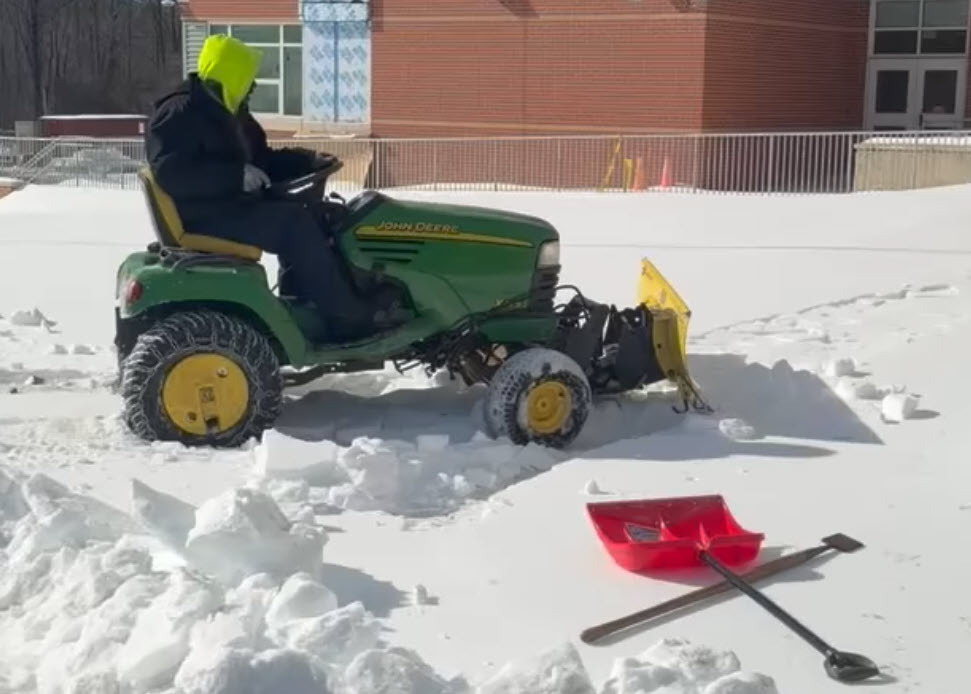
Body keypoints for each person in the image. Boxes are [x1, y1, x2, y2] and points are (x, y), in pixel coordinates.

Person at [144, 34, 400, 341]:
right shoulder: (179, 113)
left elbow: (261, 160)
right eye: (249, 79)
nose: (253, 86)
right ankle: (347, 316)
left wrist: (307, 161)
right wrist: (234, 176)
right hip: (202, 214)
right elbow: (171, 173)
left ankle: (306, 302)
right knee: (294, 225)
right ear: (231, 74)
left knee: (317, 217)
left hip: (225, 204)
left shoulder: (228, 109)